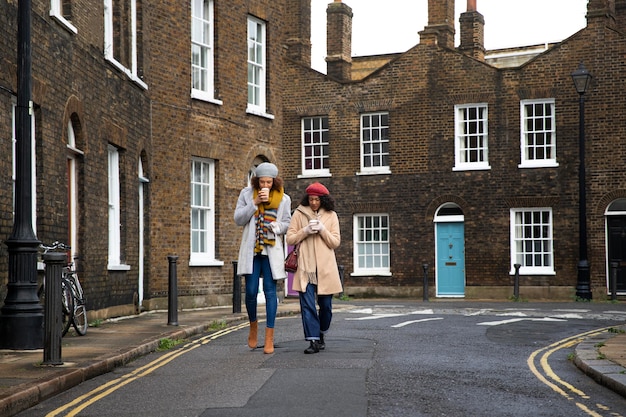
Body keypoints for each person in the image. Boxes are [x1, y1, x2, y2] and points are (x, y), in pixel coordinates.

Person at [234, 162, 291, 354]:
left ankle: (269, 338)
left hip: (271, 251)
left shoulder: (284, 199)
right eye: (262, 182)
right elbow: (238, 219)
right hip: (252, 252)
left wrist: (277, 227)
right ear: (256, 182)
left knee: (270, 292)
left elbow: (287, 224)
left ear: (274, 182)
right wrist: (255, 203)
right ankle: (253, 327)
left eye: (269, 182)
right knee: (250, 292)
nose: (265, 186)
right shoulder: (246, 194)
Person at [286, 182, 342, 354]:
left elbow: (335, 242)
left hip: (325, 269)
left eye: (317, 200)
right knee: (307, 306)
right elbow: (290, 238)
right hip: (306, 268)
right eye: (311, 199)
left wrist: (322, 229)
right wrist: (306, 230)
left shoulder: (331, 215)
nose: (313, 203)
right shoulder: (299, 213)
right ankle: (313, 340)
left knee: (326, 307)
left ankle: (321, 333)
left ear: (323, 200)